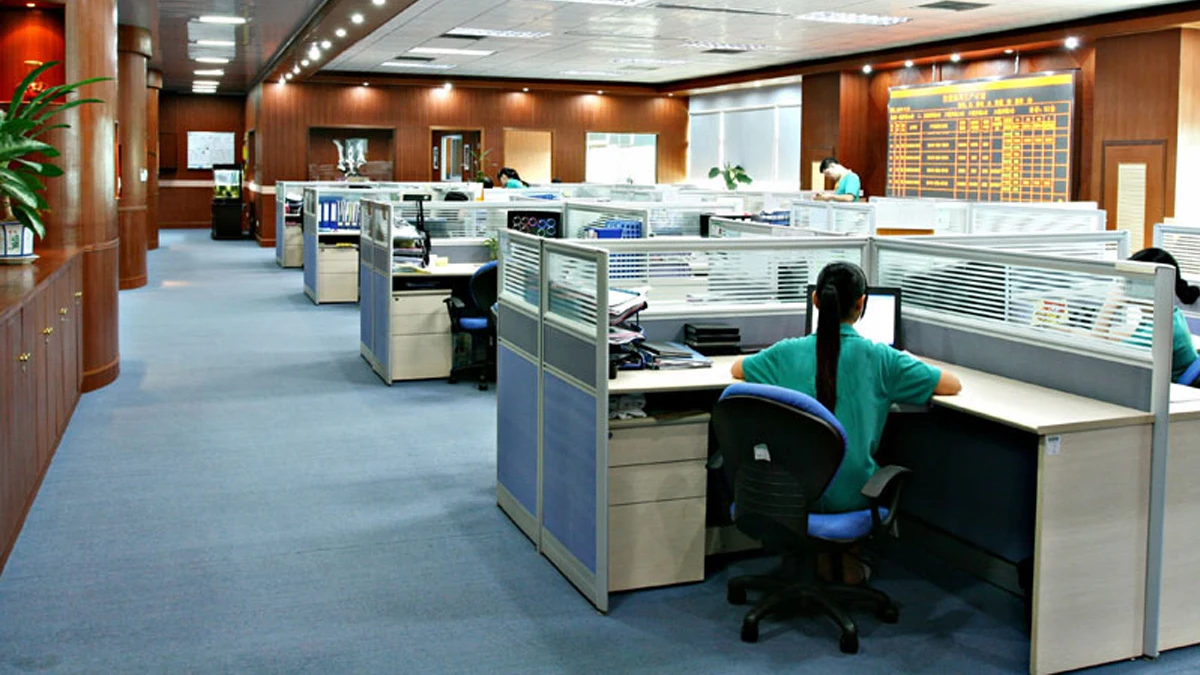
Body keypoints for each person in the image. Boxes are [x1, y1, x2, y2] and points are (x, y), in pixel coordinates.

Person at [730, 262, 962, 580]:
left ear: (816, 300)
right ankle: (847, 563)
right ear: (861, 303)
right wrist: (905, 363)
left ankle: (826, 562)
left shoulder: (786, 353)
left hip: (788, 492)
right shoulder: (882, 358)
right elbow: (951, 385)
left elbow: (738, 369)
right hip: (852, 495)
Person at [1096, 248, 1199, 382]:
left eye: (1129, 281)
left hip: (1163, 390)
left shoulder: (1159, 330)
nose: (1124, 286)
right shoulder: (1170, 314)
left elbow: (1100, 359)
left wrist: (1109, 306)